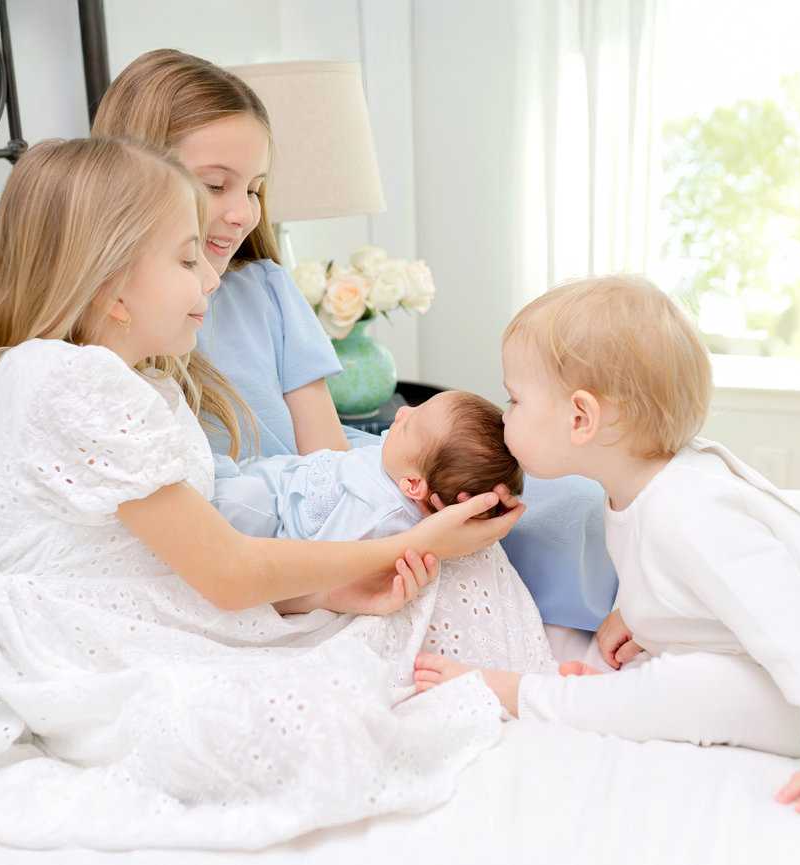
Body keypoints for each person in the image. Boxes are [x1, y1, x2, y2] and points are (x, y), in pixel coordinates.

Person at [0, 136, 540, 851]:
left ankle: (533, 686)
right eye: (187, 260)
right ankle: (535, 691)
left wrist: (330, 594)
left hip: (166, 622)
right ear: (112, 286)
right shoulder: (67, 383)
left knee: (442, 583)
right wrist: (417, 539)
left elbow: (178, 568)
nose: (212, 280)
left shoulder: (133, 381)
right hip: (96, 664)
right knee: (331, 715)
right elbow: (229, 571)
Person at [90, 48, 620, 633]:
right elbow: (214, 554)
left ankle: (662, 585)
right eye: (216, 185)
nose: (243, 213)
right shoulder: (115, 344)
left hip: (348, 481)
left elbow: (329, 454)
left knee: (578, 495)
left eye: (256, 190)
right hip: (282, 524)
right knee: (518, 532)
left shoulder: (264, 286)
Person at [414, 275, 800, 822]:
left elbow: (797, 629)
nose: (505, 414)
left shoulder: (689, 513)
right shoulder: (641, 484)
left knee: (685, 690)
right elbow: (668, 573)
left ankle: (521, 694)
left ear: (581, 418)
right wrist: (635, 612)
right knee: (676, 669)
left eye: (515, 399)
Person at [215, 389, 522, 541]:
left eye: (407, 425)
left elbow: (326, 554)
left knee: (233, 499)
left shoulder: (376, 514)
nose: (401, 411)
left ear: (413, 485)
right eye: (416, 407)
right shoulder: (402, 463)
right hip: (286, 475)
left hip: (276, 513)